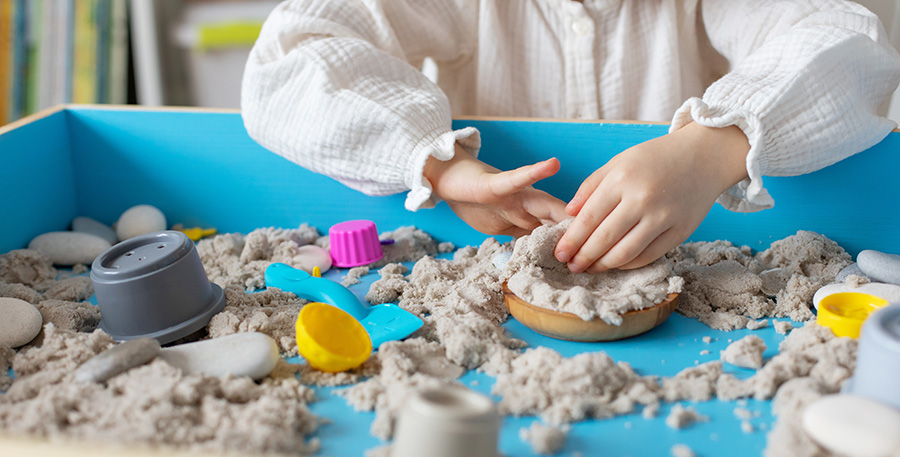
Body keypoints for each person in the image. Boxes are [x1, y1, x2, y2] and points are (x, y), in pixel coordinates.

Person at [241, 0, 900, 273]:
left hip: (695, 250)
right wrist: (442, 166)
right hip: (487, 246)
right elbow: (292, 56)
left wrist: (711, 148)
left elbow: (846, 37)